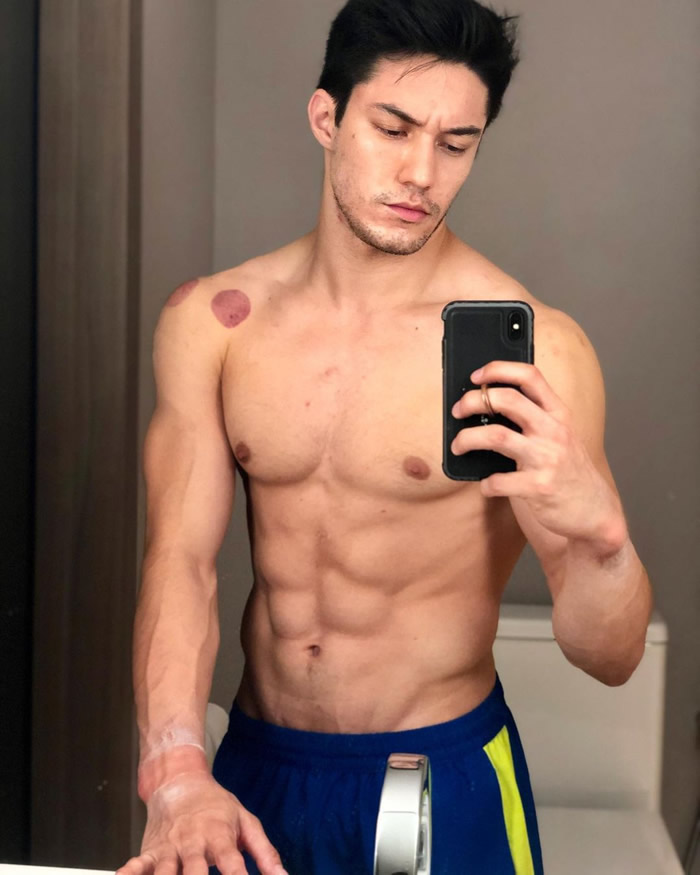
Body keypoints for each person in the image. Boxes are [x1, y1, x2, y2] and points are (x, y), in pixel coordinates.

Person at [117, 1, 653, 873]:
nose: (420, 174)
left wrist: (603, 539)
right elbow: (180, 560)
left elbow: (612, 657)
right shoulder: (218, 324)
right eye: (393, 128)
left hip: (436, 774)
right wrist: (174, 769)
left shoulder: (544, 352)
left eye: (456, 144)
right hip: (255, 768)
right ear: (326, 117)